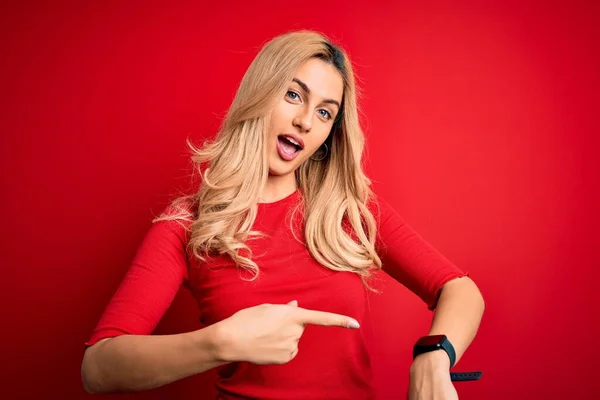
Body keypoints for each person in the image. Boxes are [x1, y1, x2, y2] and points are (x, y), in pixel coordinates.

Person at [81, 30, 485, 400]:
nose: (305, 121)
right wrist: (220, 342)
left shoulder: (348, 212)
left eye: (325, 113)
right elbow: (98, 367)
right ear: (261, 93)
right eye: (294, 95)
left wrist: (435, 353)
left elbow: (460, 290)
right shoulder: (187, 224)